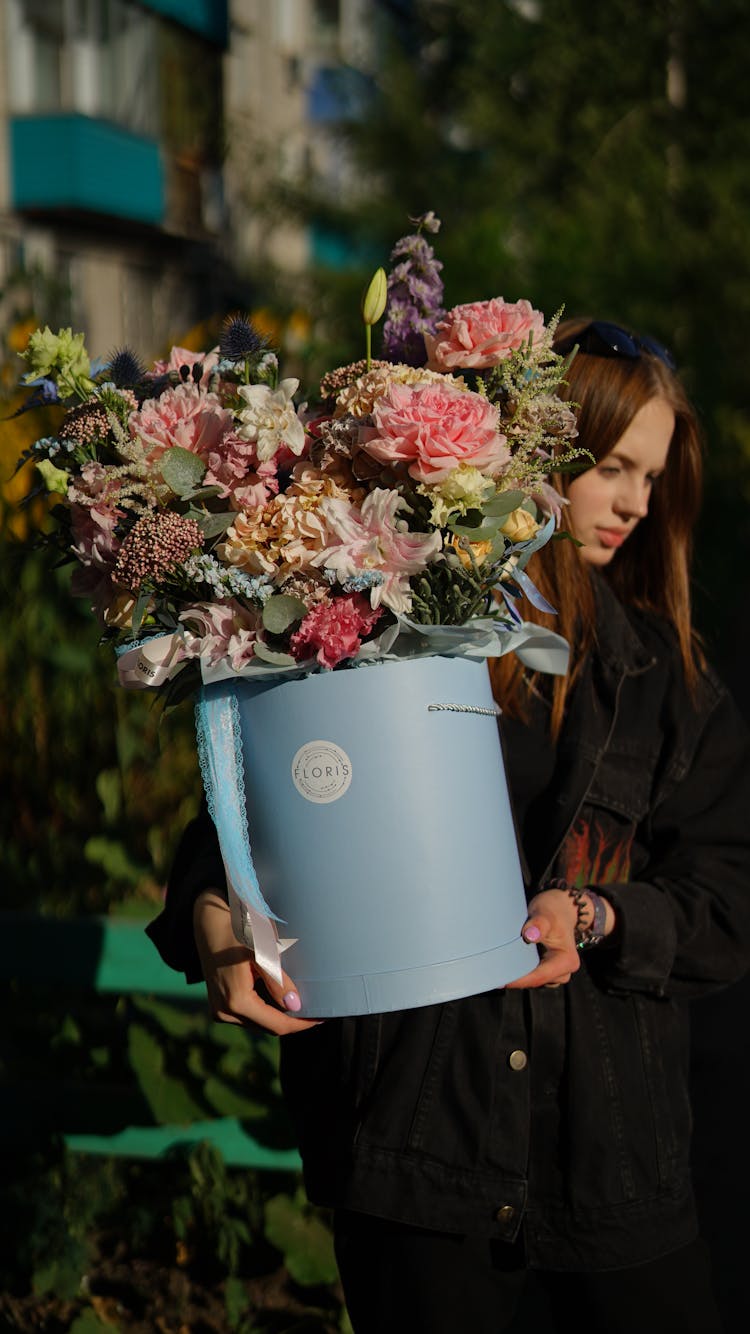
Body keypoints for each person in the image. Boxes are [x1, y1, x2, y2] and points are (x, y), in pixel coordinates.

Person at [147, 318, 750, 1334]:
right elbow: (259, 811)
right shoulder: (387, 629)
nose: (637, 502)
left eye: (652, 476)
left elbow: (730, 895)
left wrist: (598, 917)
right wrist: (215, 917)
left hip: (611, 1162)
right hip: (415, 1154)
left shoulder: (670, 681)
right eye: (611, 467)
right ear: (537, 454)